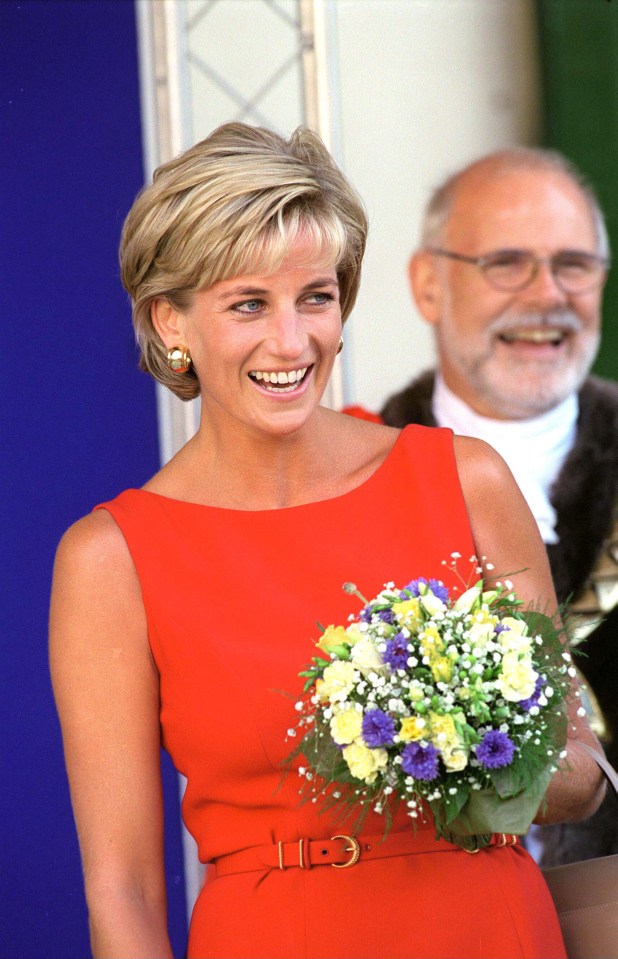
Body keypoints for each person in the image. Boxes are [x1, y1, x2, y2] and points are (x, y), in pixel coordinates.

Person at [49, 124, 605, 959]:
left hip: (493, 928)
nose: (292, 340)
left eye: (316, 296)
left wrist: (450, 739)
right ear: (170, 322)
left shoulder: (465, 479)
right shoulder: (111, 557)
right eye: (248, 304)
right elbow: (120, 890)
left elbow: (580, 773)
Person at [378, 147, 618, 868]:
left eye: (573, 264)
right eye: (507, 262)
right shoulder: (352, 479)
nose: (546, 293)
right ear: (427, 284)